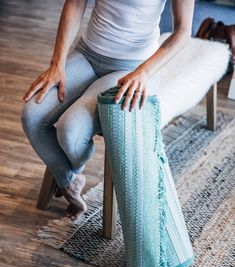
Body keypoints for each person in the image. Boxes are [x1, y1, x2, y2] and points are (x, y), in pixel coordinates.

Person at [21, 0, 195, 220]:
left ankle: (65, 176)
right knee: (31, 115)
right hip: (87, 54)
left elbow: (183, 31)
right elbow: (75, 3)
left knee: (70, 131)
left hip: (132, 68)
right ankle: (71, 181)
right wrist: (57, 64)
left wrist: (144, 73)